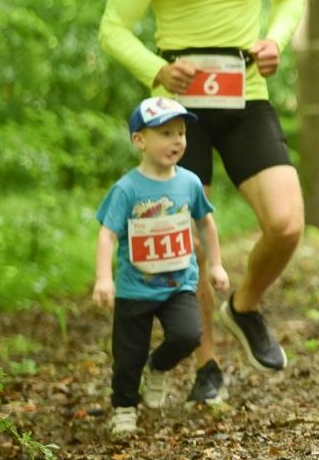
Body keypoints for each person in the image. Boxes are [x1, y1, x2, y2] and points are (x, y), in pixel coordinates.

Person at [99, 0, 303, 404]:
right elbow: (112, 28)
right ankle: (207, 363)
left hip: (246, 94)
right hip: (178, 110)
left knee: (286, 223)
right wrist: (156, 72)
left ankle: (246, 305)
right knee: (189, 238)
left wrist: (274, 40)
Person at [93, 99, 226, 435]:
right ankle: (124, 407)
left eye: (181, 133)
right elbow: (107, 235)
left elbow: (206, 223)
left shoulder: (190, 183)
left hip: (178, 283)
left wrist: (216, 265)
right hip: (134, 288)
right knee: (128, 355)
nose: (177, 141)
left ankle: (159, 365)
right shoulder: (127, 189)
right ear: (139, 140)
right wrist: (103, 279)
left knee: (188, 335)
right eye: (165, 133)